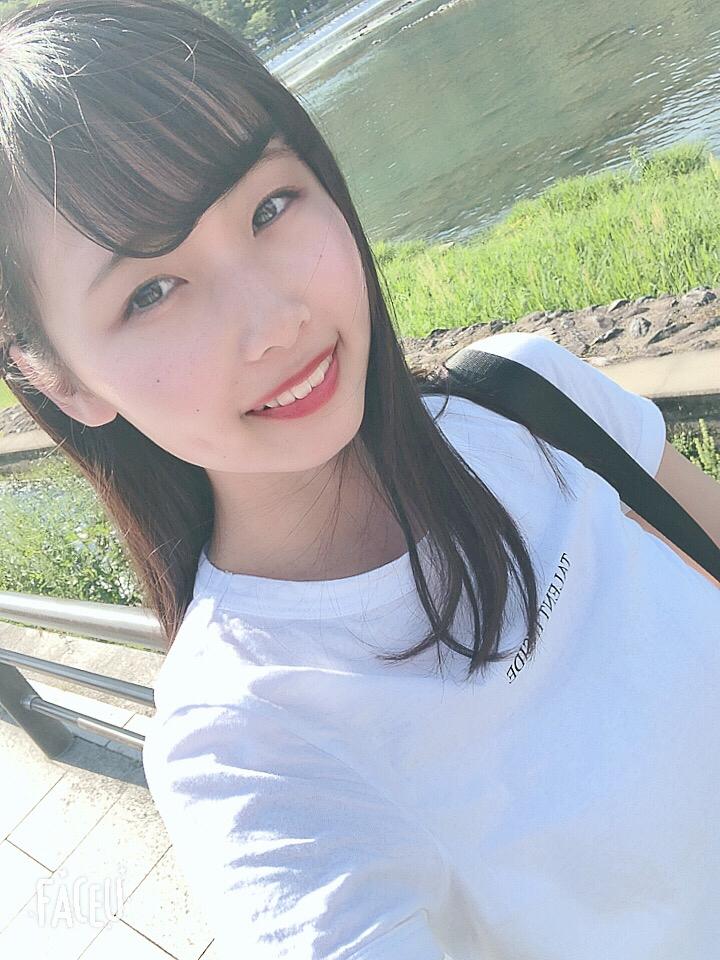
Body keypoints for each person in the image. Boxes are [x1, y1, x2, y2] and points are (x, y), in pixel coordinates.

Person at [0, 1, 717, 957]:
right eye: (151, 291)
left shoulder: (528, 394)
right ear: (59, 379)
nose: (275, 321)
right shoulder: (247, 755)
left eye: (269, 206)